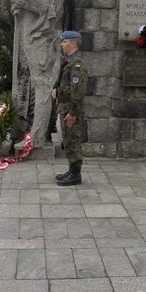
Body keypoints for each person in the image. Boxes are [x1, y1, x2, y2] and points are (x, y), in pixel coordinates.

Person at [12, 0, 68, 149]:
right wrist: (18, 2)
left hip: (43, 32)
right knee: (33, 80)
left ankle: (37, 136)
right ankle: (33, 133)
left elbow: (54, 5)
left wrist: (27, 2)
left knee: (42, 82)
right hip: (29, 26)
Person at [51, 31, 87, 186]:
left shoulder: (77, 64)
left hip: (70, 109)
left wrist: (73, 113)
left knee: (72, 139)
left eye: (64, 42)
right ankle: (72, 170)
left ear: (73, 43)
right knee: (67, 138)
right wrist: (56, 89)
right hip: (64, 107)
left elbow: (78, 92)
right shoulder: (68, 61)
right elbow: (64, 82)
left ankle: (75, 175)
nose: (62, 44)